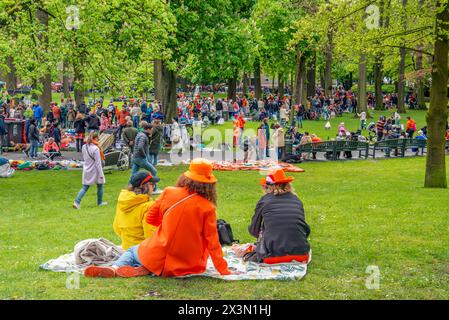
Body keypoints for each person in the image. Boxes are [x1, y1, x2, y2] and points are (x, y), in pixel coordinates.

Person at [84, 158, 232, 278]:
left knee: (133, 251)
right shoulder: (208, 207)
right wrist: (223, 270)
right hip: (190, 264)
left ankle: (115, 268)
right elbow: (213, 242)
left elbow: (151, 218)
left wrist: (168, 227)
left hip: (159, 254)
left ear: (186, 177)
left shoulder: (169, 192)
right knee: (145, 254)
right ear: (209, 184)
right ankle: (146, 269)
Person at [243, 168, 311, 264]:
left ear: (267, 187)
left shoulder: (265, 201)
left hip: (272, 257)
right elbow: (303, 228)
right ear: (287, 185)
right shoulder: (296, 200)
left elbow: (254, 230)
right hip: (301, 255)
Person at [113, 171, 160, 250]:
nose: (153, 187)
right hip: (142, 252)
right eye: (152, 184)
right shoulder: (148, 206)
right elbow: (152, 236)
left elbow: (117, 228)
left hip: (126, 249)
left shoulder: (123, 201)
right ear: (143, 187)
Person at [73, 131, 107, 209]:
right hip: (95, 169)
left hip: (87, 168)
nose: (99, 139)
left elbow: (85, 158)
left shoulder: (84, 146)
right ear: (95, 138)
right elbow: (98, 163)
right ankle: (100, 202)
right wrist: (101, 174)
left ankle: (77, 202)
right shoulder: (96, 149)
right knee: (100, 185)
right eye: (98, 138)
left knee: (85, 187)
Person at [131, 122, 160, 194]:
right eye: (152, 130)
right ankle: (154, 189)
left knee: (134, 175)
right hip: (140, 158)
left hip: (135, 157)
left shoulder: (140, 134)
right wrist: (144, 155)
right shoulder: (143, 136)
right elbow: (140, 147)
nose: (152, 131)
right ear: (148, 129)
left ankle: (130, 188)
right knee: (153, 171)